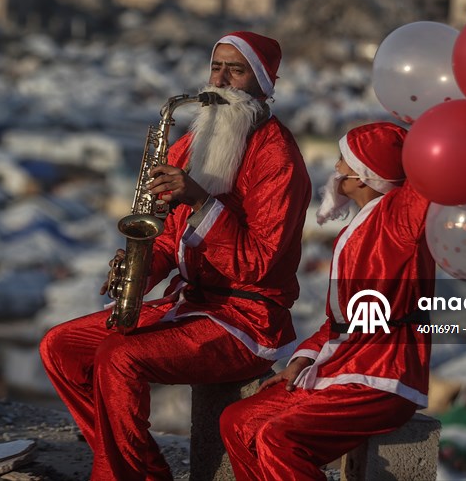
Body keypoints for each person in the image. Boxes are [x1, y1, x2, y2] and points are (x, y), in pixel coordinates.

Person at [40, 31, 312, 481]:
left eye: (236, 70)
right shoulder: (194, 139)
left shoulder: (278, 158)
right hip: (189, 305)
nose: (220, 81)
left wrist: (203, 201)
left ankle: (118, 473)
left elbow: (259, 263)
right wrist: (141, 272)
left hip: (247, 320)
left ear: (262, 83)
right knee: (61, 347)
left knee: (119, 358)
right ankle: (139, 470)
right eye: (216, 67)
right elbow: (167, 237)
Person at [219, 121, 435, 481]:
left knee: (278, 439)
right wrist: (301, 359)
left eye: (343, 161)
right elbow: (339, 322)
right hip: (342, 365)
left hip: (382, 375)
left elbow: (429, 183)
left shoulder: (397, 218)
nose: (336, 169)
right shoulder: (354, 232)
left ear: (365, 176)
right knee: (237, 421)